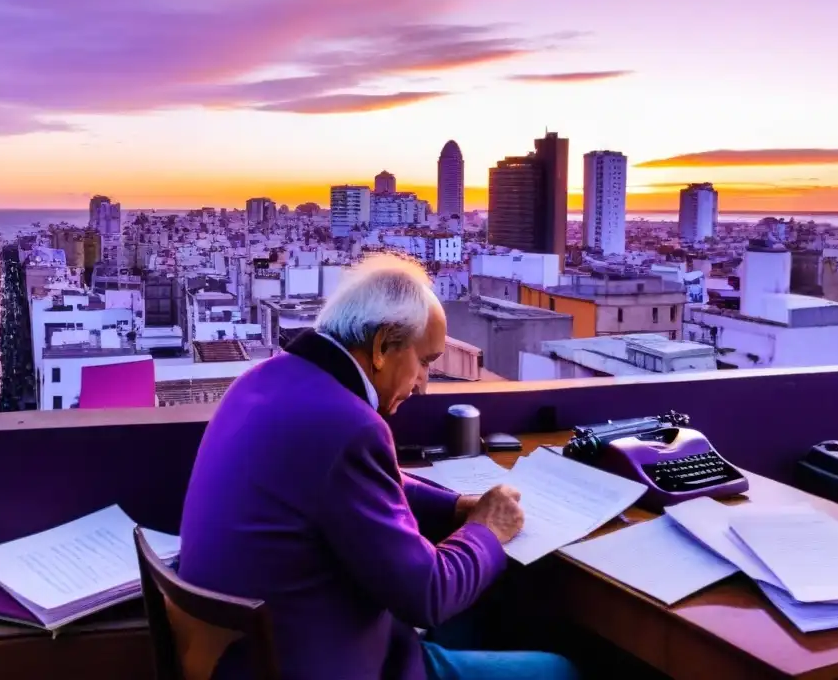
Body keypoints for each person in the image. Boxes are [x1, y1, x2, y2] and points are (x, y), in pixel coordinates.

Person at [179, 255, 579, 680]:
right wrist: (489, 528)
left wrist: (456, 507)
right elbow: (428, 595)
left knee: (475, 614)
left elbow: (363, 483)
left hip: (251, 658)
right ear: (383, 346)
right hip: (329, 664)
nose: (424, 383)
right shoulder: (348, 426)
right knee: (559, 670)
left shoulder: (263, 381)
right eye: (426, 361)